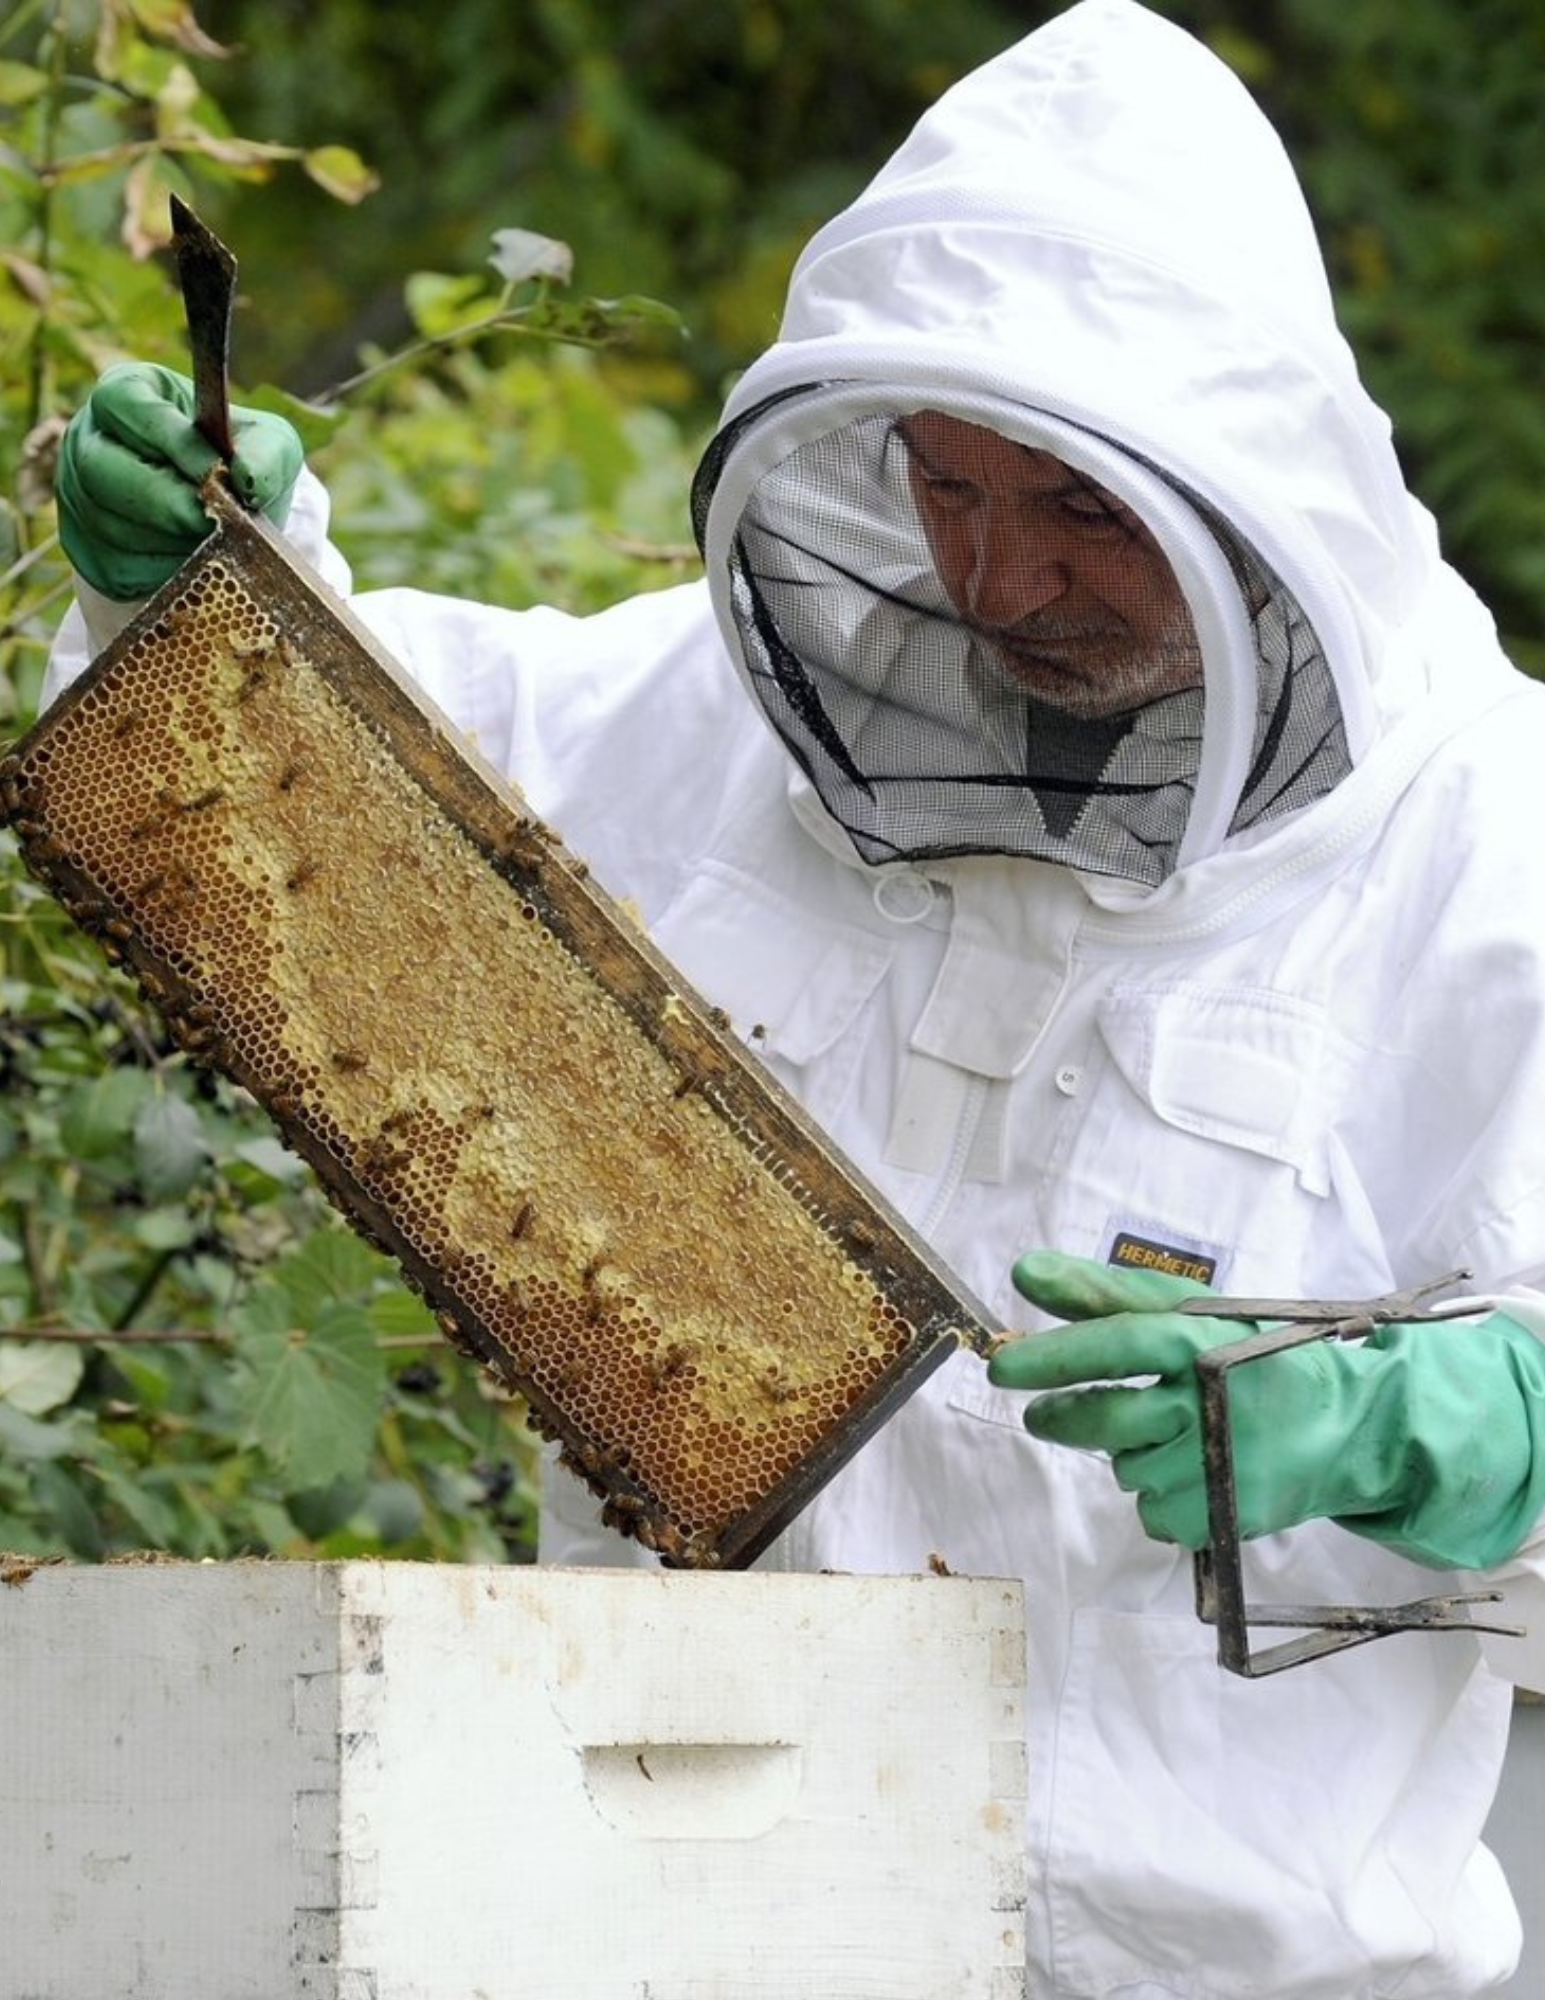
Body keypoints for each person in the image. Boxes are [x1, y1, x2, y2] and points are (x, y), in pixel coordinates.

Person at [42, 1, 1545, 1993]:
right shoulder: (723, 719)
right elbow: (336, 797)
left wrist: (1431, 1423)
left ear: (1243, 489)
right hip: (694, 1929)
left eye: (1084, 512)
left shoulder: (1483, 848)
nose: (999, 582)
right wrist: (197, 575)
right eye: (948, 485)